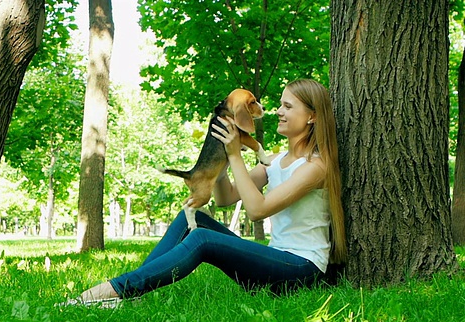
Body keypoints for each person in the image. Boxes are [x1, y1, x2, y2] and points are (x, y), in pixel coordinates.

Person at [71, 79, 347, 306]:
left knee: (203, 239)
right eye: (280, 105)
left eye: (288, 106)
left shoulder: (315, 166)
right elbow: (226, 197)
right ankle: (131, 293)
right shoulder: (274, 161)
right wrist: (219, 155)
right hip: (274, 262)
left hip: (301, 269)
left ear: (311, 116)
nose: (278, 111)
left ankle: (110, 292)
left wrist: (235, 154)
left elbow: (257, 210)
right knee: (193, 220)